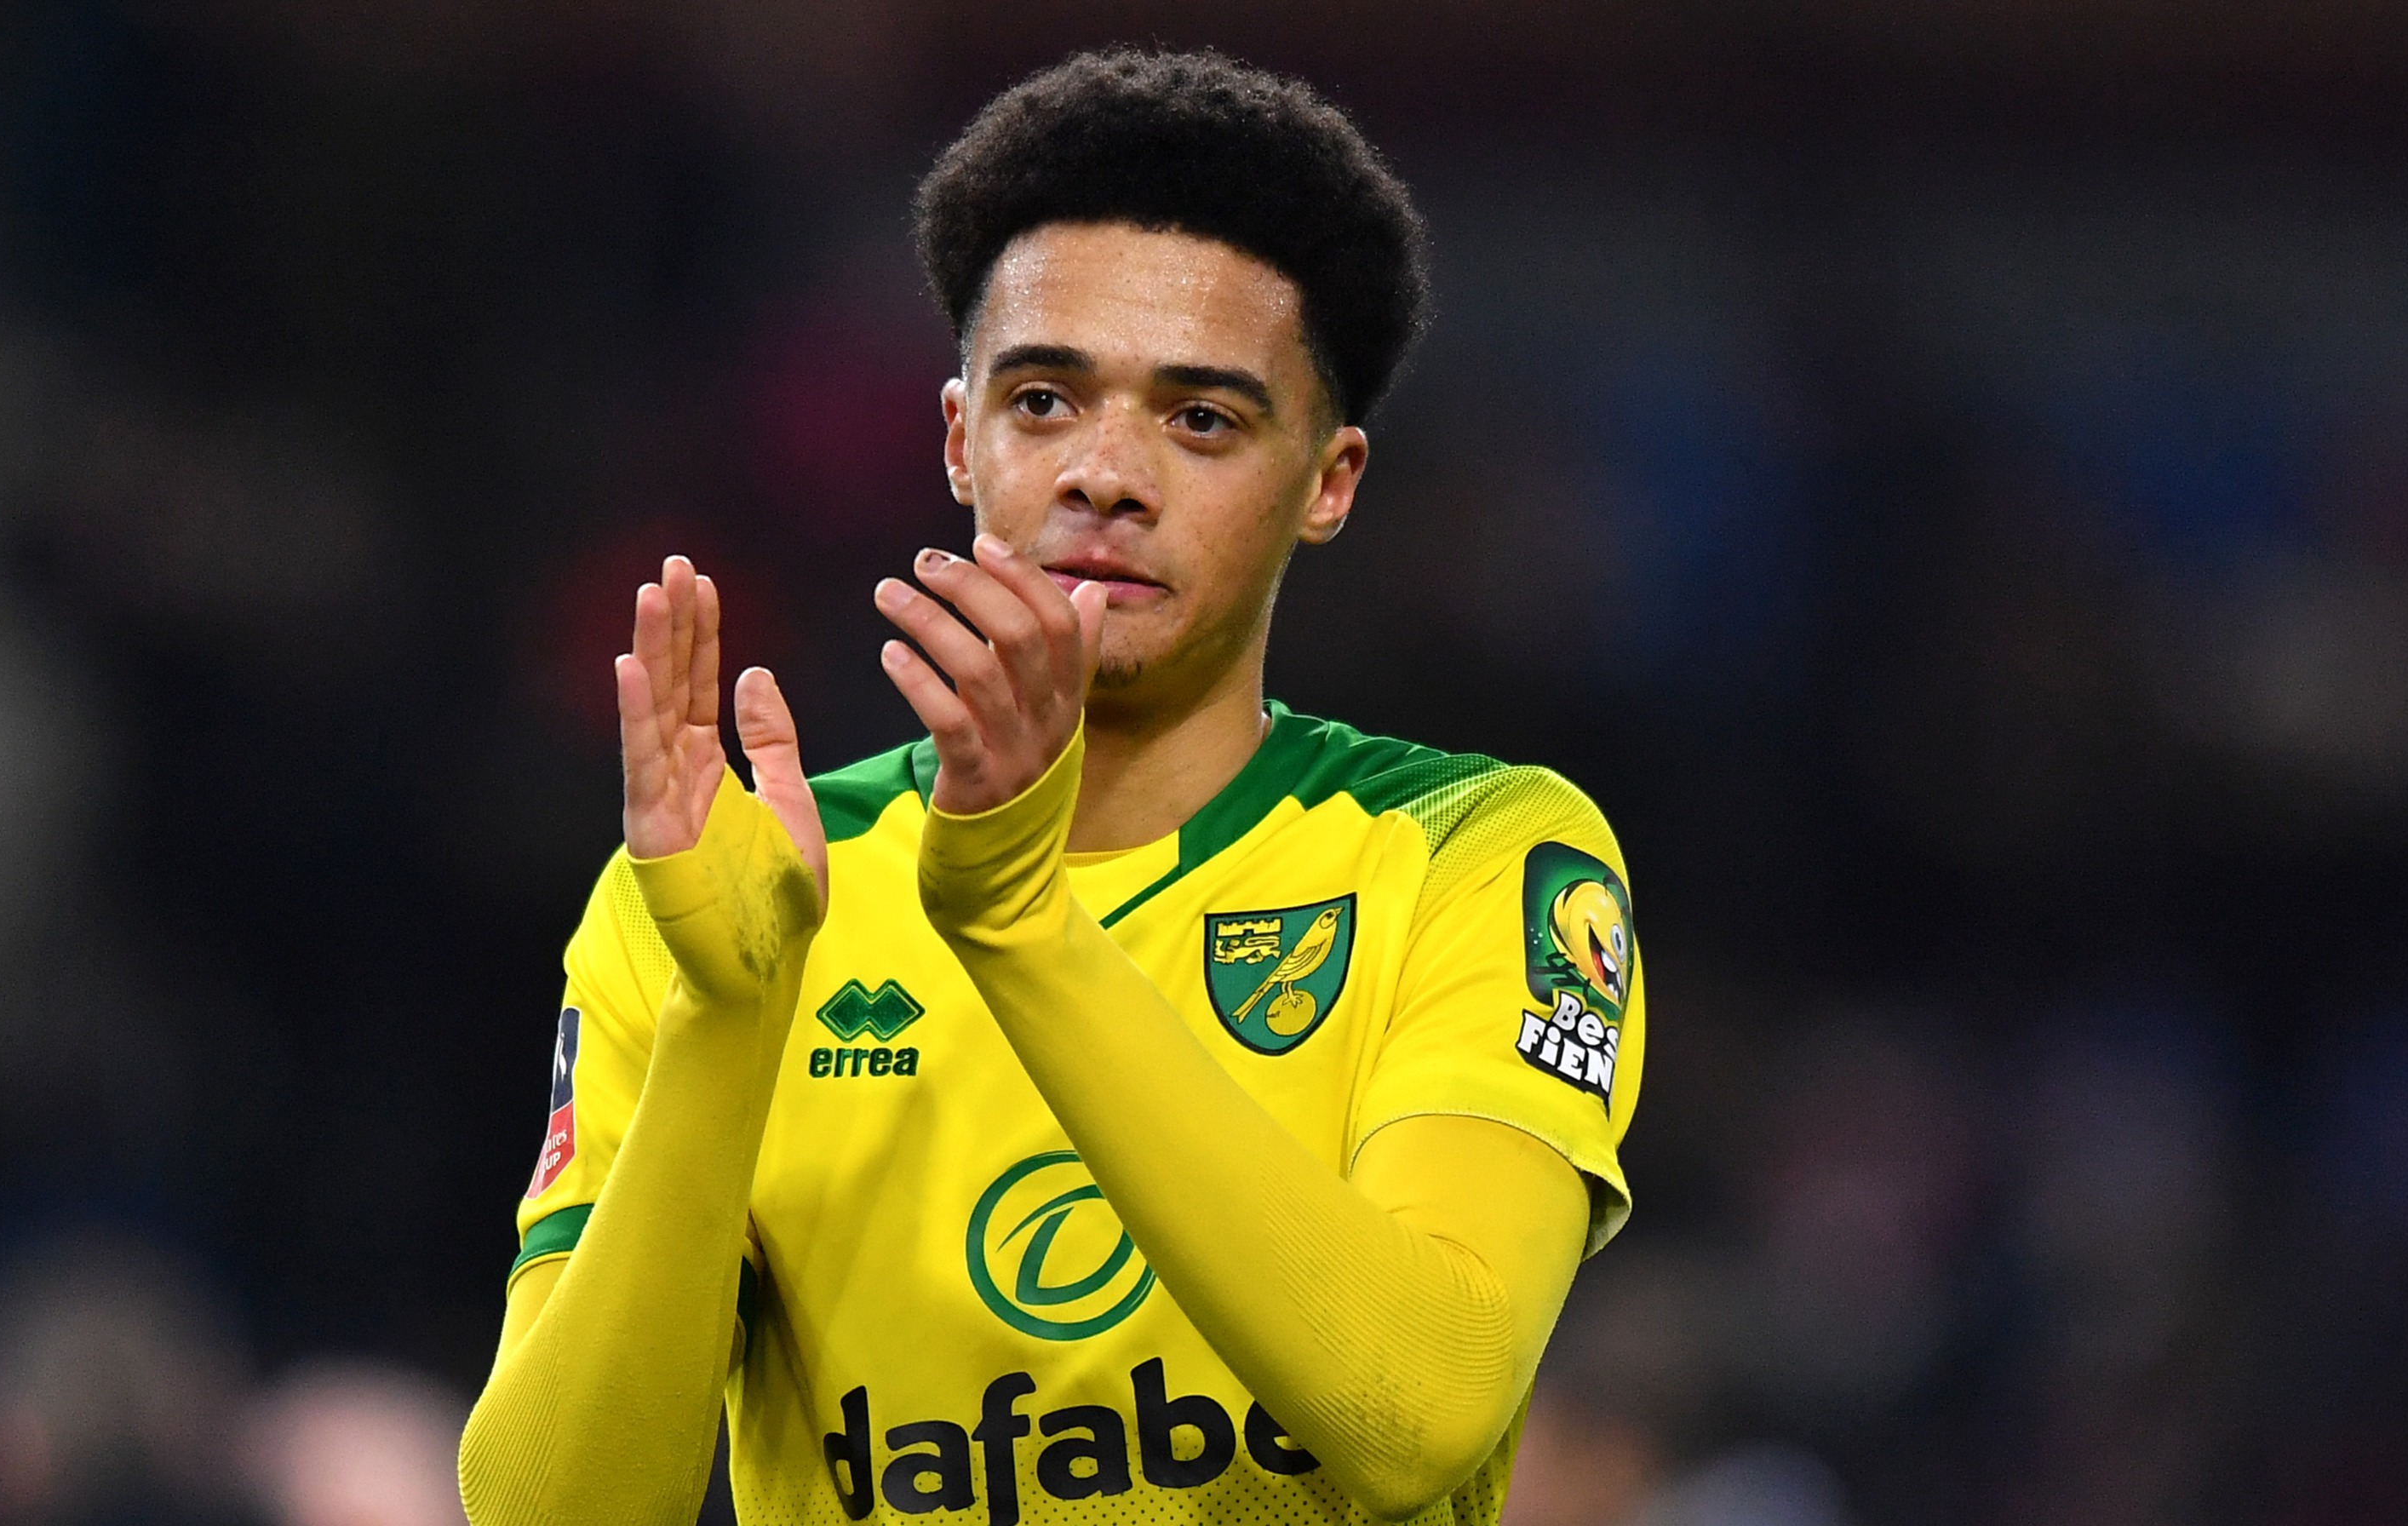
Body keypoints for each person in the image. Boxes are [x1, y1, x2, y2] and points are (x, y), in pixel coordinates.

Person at [458, 48, 1644, 1526]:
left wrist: (1017, 921)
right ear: (960, 439)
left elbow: (1418, 1414)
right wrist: (723, 1024)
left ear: (1329, 481)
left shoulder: (1476, 855)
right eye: (1042, 401)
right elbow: (555, 1512)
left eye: (1202, 420)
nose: (1106, 475)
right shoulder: (735, 883)